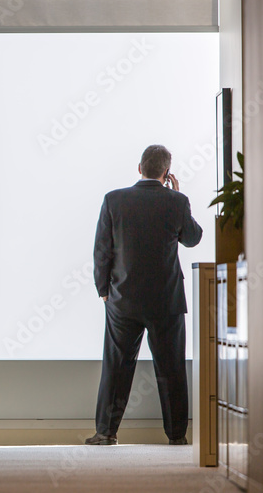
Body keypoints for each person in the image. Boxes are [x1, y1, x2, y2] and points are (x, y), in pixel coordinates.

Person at [85, 145, 203, 446]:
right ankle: (177, 436)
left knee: (116, 367)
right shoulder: (177, 201)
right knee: (171, 368)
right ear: (166, 172)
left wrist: (103, 290)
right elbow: (192, 238)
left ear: (140, 167)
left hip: (123, 299)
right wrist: (179, 196)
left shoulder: (114, 200)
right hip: (166, 301)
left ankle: (106, 433)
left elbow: (102, 250)